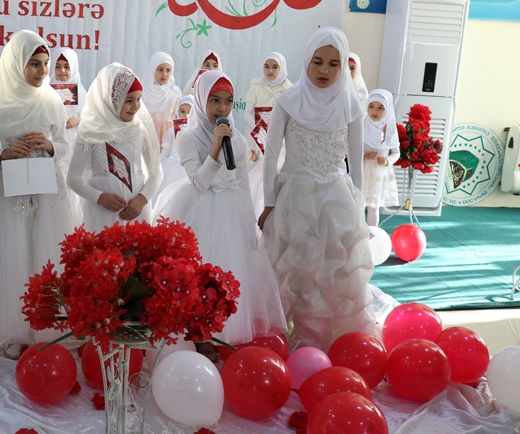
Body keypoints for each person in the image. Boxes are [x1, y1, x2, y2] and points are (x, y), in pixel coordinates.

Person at [258, 26, 376, 352]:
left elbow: (355, 161)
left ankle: (326, 346)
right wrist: (268, 203)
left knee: (331, 276)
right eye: (318, 61)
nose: (325, 70)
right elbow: (270, 156)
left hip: (336, 202)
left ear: (343, 67)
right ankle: (283, 344)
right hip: (293, 200)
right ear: (306, 61)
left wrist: (359, 208)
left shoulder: (352, 107)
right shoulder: (287, 101)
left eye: (334, 64)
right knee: (291, 273)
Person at [154, 71, 285, 361]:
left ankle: (222, 330)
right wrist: (214, 148)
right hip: (200, 210)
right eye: (214, 100)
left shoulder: (237, 139)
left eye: (227, 102)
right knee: (199, 275)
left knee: (230, 276)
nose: (222, 109)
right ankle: (199, 334)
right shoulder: (187, 137)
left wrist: (250, 223)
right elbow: (199, 182)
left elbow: (240, 184)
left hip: (231, 211)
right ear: (202, 100)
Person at [0, 30, 79, 359]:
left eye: (45, 63)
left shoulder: (53, 100)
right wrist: (4, 152)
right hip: (7, 190)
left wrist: (49, 146)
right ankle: (14, 329)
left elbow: (62, 144)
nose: (42, 71)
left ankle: (44, 326)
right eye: (33, 64)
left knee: (43, 253)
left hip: (45, 190)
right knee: (12, 255)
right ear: (16, 64)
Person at [67, 63, 162, 232]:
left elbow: (156, 173)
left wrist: (142, 200)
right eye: (129, 100)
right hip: (101, 213)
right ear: (111, 99)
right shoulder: (89, 132)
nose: (136, 106)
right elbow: (73, 178)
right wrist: (99, 197)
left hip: (136, 212)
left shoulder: (140, 130)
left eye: (139, 99)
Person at [243, 52, 293, 219]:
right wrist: (260, 128)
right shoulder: (256, 86)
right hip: (256, 134)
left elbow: (291, 114)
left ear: (282, 67)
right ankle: (250, 212)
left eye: (275, 67)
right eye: (266, 66)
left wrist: (276, 129)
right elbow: (247, 112)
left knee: (275, 168)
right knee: (255, 167)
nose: (270, 70)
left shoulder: (289, 88)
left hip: (279, 137)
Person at [363, 89, 400, 226]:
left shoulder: (390, 129)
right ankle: (357, 235)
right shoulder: (362, 125)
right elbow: (349, 149)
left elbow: (396, 153)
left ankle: (372, 235)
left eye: (380, 108)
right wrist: (364, 156)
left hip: (379, 176)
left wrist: (387, 161)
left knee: (373, 208)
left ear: (388, 109)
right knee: (359, 206)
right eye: (371, 106)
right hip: (362, 172)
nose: (375, 111)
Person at [150, 94, 193, 208]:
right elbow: (165, 152)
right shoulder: (171, 131)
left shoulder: (198, 133)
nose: (186, 115)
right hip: (170, 167)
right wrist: (156, 168)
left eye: (190, 111)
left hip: (189, 169)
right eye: (183, 111)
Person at [48, 47, 85, 169]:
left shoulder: (81, 91)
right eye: (57, 66)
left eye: (67, 66)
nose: (62, 71)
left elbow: (92, 116)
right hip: (52, 138)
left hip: (73, 140)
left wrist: (77, 120)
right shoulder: (46, 90)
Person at [141, 51, 182, 146]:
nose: (164, 74)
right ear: (152, 69)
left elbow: (178, 115)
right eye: (160, 70)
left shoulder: (175, 92)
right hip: (146, 134)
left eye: (168, 70)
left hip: (169, 135)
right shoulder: (143, 91)